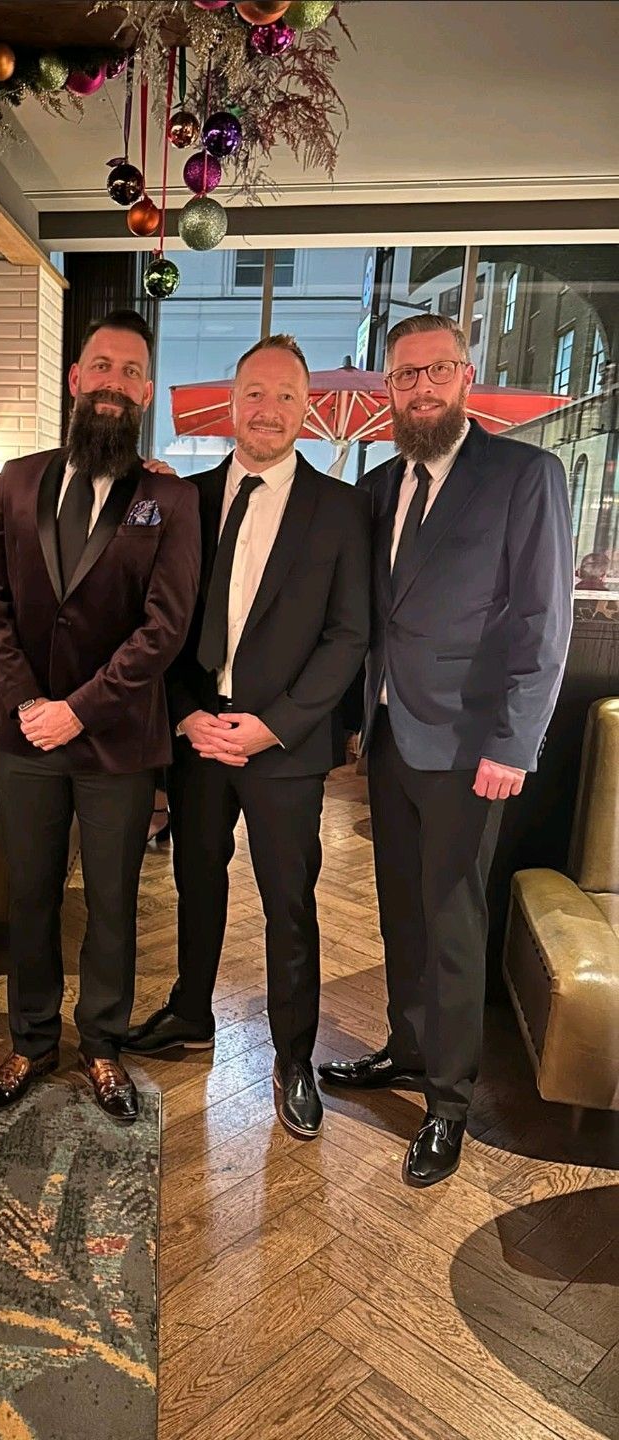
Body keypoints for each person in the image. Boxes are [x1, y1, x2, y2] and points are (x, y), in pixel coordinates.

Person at [318, 314, 574, 1187]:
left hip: (472, 750)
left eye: (435, 372)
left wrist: (514, 740)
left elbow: (545, 621)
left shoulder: (525, 475)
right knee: (400, 911)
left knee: (455, 923)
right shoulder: (382, 483)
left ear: (466, 377)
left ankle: (451, 1101)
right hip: (391, 738)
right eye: (404, 377)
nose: (419, 389)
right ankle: (406, 1045)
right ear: (387, 389)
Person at [124, 336, 370, 1141]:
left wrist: (275, 725)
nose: (267, 410)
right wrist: (187, 713)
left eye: (284, 396)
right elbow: (158, 621)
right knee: (196, 881)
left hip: (284, 746)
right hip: (199, 734)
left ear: (307, 411)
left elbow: (348, 636)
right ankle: (191, 1012)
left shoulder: (342, 509)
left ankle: (292, 1055)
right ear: (232, 405)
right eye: (253, 394)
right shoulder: (184, 500)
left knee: (289, 905)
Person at [0, 309, 200, 1122]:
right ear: (76, 380)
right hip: (22, 735)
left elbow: (164, 629)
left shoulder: (170, 498)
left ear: (144, 392)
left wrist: (80, 710)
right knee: (28, 893)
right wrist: (31, 702)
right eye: (101, 366)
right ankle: (31, 1041)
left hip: (116, 744)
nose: (114, 382)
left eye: (131, 372)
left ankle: (100, 1042)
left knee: (112, 900)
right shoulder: (15, 482)